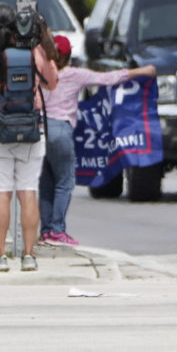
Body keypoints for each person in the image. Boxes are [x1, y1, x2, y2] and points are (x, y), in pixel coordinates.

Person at [38, 35, 156, 245]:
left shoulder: (41, 74)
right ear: (68, 55)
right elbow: (108, 78)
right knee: (65, 181)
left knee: (46, 182)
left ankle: (46, 230)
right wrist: (142, 71)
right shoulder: (74, 74)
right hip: (61, 129)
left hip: (40, 129)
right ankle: (57, 229)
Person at [0, 3, 58, 272]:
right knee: (28, 192)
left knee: (1, 193)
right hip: (32, 131)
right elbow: (52, 81)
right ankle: (29, 255)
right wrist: (42, 40)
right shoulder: (33, 53)